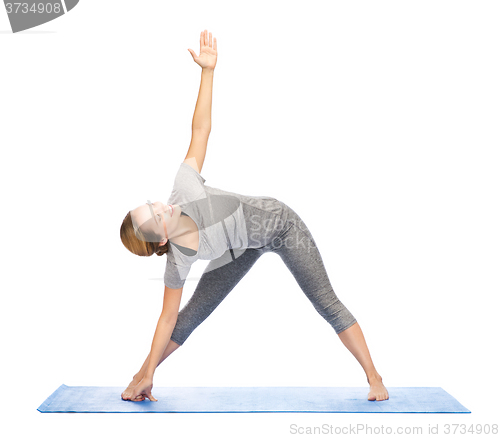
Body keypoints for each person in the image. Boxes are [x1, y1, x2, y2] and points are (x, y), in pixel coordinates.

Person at [119, 30, 389, 403]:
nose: (161, 206)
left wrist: (208, 72)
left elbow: (201, 129)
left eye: (151, 204)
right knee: (188, 319)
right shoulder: (177, 261)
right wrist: (148, 372)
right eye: (154, 217)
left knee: (325, 301)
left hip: (280, 226)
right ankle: (141, 375)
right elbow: (167, 319)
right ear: (161, 240)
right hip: (236, 250)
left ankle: (375, 378)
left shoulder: (185, 187)